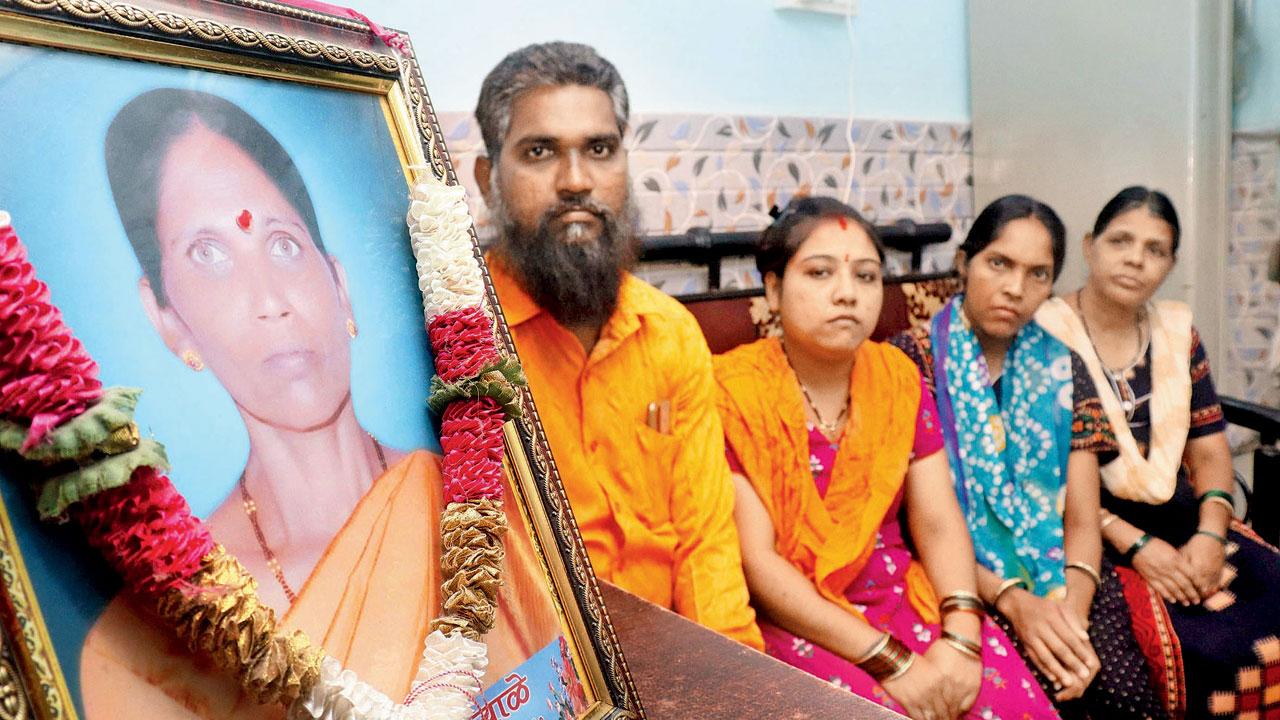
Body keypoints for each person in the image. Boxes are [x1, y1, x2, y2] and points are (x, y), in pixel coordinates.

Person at [79, 88, 561, 719]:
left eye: (282, 243)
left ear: (339, 284)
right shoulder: (145, 643)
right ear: (168, 320)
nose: (270, 297)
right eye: (209, 254)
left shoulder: (488, 500)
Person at [717, 197, 1057, 720]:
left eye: (867, 276)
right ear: (772, 288)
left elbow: (939, 522)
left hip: (903, 598)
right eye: (820, 272)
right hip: (797, 619)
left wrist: (963, 635)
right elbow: (759, 564)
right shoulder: (730, 394)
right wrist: (889, 661)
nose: (846, 293)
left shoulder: (900, 381)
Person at [474, 42, 762, 649]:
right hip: (539, 666)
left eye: (599, 150)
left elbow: (707, 542)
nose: (576, 181)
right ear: (487, 178)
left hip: (675, 653)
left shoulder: (672, 332)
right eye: (540, 152)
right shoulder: (466, 341)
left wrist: (735, 681)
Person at [891, 195, 1171, 719]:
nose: (1015, 289)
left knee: (1121, 693)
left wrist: (1070, 617)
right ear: (964, 263)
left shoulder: (1063, 367)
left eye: (1038, 274)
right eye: (999, 264)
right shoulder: (910, 362)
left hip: (1063, 576)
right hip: (955, 579)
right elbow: (917, 525)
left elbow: (1083, 518)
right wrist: (1017, 604)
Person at [1035, 186, 1280, 719]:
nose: (1135, 259)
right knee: (1201, 644)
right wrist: (1139, 546)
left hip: (1179, 517)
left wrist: (1212, 535)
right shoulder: (1042, 335)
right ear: (1089, 246)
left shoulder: (1176, 336)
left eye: (1155, 249)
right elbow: (1035, 479)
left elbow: (1211, 452)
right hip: (1074, 524)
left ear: (1169, 265)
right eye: (1120, 240)